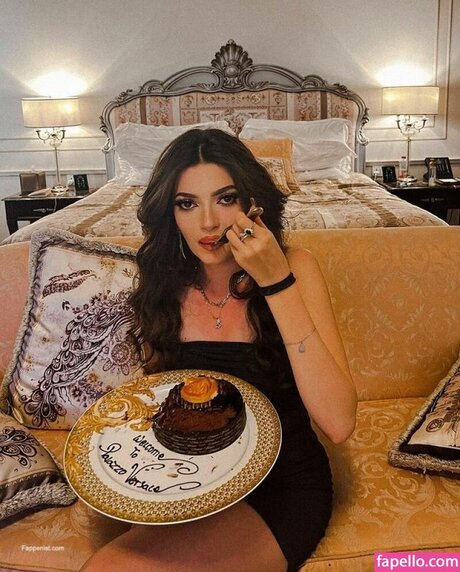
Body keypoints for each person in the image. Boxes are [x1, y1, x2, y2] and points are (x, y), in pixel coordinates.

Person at [81, 128, 357, 572]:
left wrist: (276, 282)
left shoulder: (296, 266)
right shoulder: (161, 280)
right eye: (187, 204)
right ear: (170, 212)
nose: (208, 223)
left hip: (279, 484)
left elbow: (339, 423)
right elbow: (159, 401)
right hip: (186, 482)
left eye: (225, 199)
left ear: (252, 203)